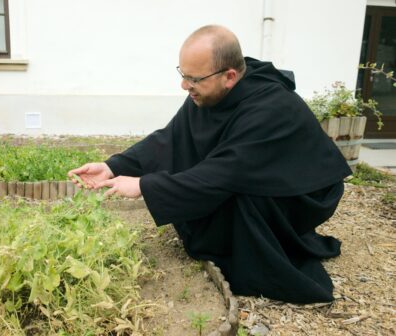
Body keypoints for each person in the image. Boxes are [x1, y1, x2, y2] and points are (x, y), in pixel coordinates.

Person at [68, 25, 352, 303]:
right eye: (182, 74)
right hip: (248, 171)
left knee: (234, 199)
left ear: (229, 76)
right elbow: (169, 139)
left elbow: (224, 174)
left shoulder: (270, 108)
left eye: (193, 78)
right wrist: (113, 166)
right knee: (201, 186)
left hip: (300, 195)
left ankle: (257, 253)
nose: (184, 85)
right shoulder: (208, 91)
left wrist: (143, 185)